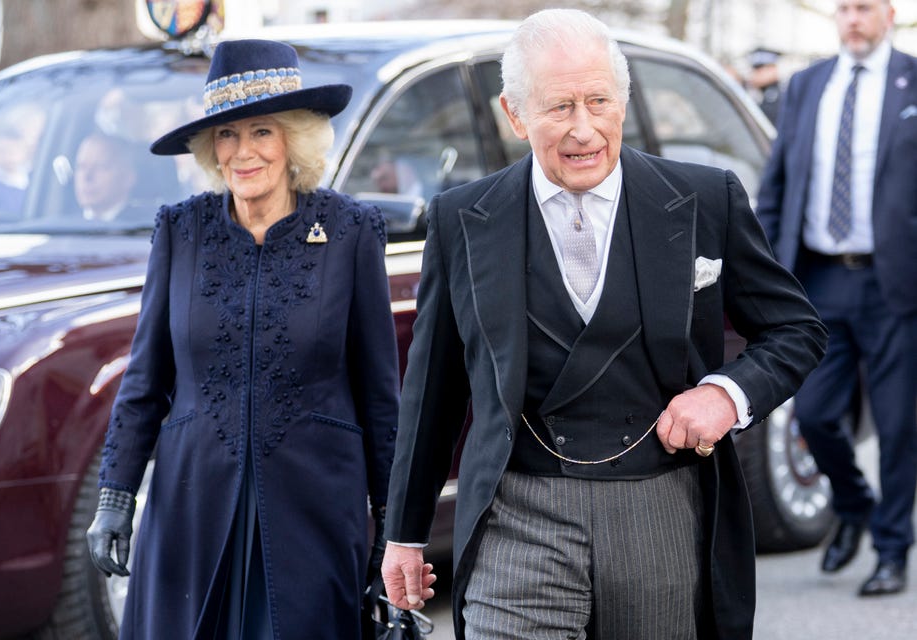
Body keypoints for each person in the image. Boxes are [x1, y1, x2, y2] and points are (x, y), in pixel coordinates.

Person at [381, 9, 827, 640]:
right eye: (559, 107)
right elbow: (432, 391)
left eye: (599, 101)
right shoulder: (462, 219)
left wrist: (726, 395)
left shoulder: (705, 198)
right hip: (519, 512)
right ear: (514, 114)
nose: (583, 129)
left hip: (661, 508)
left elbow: (796, 330)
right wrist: (404, 533)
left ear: (624, 101)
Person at [85, 39, 400, 639]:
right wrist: (116, 494)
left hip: (312, 510)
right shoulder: (181, 231)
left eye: (261, 131)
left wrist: (392, 520)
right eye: (227, 135)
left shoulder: (350, 232)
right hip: (191, 505)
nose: (242, 152)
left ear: (293, 139)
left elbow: (381, 394)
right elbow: (145, 379)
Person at [756, 0, 917, 596]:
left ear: (889, 14)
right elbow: (777, 185)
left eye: (864, 7)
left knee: (899, 425)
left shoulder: (911, 79)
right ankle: (854, 506)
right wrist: (766, 270)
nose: (852, 18)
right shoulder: (806, 85)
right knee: (815, 414)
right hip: (819, 279)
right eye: (844, 8)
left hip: (895, 282)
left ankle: (892, 547)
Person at [73, 132, 146, 222]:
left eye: (100, 167)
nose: (87, 177)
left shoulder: (146, 228)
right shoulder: (63, 226)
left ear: (128, 178)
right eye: (81, 167)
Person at [747, 46, 784, 125]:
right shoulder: (761, 94)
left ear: (772, 69)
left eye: (759, 69)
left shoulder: (779, 98)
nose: (754, 74)